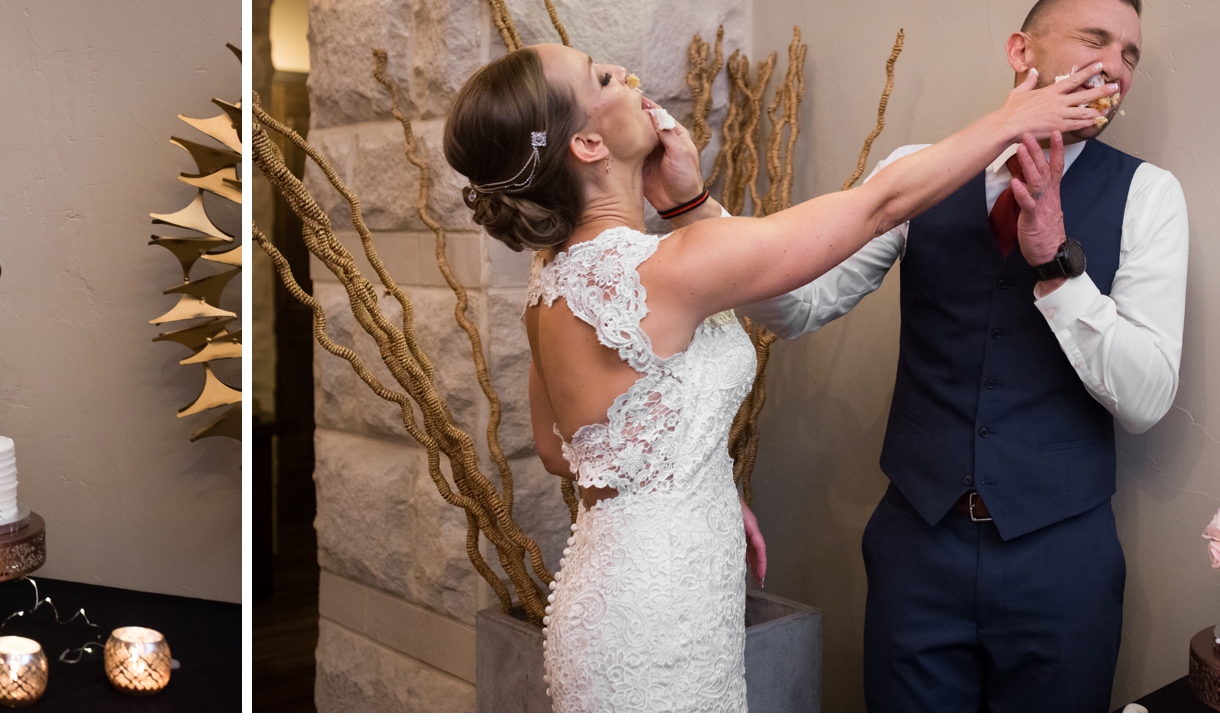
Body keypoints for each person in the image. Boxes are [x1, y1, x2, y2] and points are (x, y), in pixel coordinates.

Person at [444, 37, 1112, 711]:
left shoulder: (550, 282)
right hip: (660, 609)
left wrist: (691, 477)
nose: (631, 76)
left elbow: (566, 449)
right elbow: (879, 207)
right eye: (604, 77)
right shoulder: (671, 267)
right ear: (588, 145)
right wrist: (1012, 120)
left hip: (607, 597)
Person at [738, 0, 1186, 711]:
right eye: (1095, 40)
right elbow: (801, 306)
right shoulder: (912, 175)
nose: (1116, 66)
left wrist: (1056, 263)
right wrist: (704, 229)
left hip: (1062, 561)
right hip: (917, 547)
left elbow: (1147, 400)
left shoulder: (1150, 196)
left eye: (1131, 55)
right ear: (1021, 52)